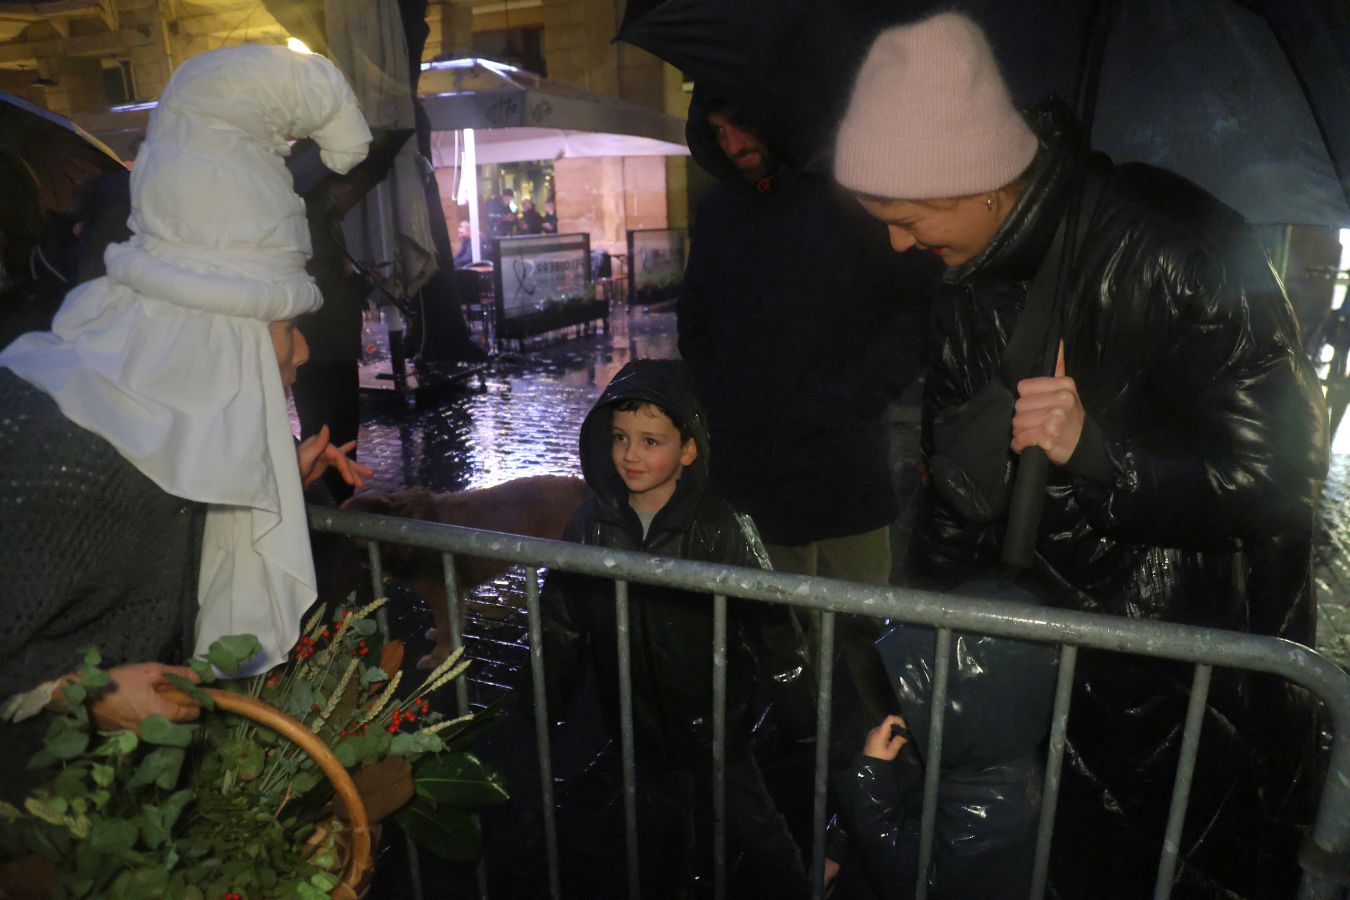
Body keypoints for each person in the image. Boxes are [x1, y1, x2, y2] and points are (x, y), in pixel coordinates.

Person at [832, 13, 1328, 898]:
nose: (897, 244)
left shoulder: (1183, 247)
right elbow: (953, 490)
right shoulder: (963, 282)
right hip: (1018, 686)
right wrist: (914, 665)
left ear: (978, 184)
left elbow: (1283, 486)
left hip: (1169, 699)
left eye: (905, 218)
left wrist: (1103, 460)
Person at [0, 43, 373, 802]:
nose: (301, 350)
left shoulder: (134, 417)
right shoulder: (53, 448)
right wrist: (83, 696)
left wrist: (267, 476)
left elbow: (159, 518)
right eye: (281, 325)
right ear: (212, 333)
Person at [677, 93, 936, 735]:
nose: (733, 143)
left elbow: (919, 308)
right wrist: (723, 401)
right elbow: (696, 324)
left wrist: (858, 394)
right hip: (754, 470)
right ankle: (804, 763)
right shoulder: (717, 211)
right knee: (782, 642)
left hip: (842, 463)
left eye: (742, 123)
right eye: (718, 129)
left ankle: (869, 780)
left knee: (861, 641)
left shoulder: (849, 201)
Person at [540, 359, 818, 899]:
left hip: (715, 724)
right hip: (640, 722)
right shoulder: (591, 523)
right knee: (661, 828)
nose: (629, 454)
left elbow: (774, 624)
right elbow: (562, 618)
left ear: (688, 450)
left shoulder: (723, 528)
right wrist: (543, 699)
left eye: (651, 441)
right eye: (620, 437)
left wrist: (798, 714)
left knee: (753, 823)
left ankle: (796, 888)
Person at [827, 589, 1059, 899]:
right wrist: (838, 844)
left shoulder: (996, 810)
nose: (904, 705)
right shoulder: (967, 744)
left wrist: (870, 775)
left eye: (930, 690)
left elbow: (908, 882)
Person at [292, 174, 371, 504]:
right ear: (326, 184)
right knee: (326, 432)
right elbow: (320, 285)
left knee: (342, 431)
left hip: (338, 346)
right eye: (342, 182)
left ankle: (340, 504)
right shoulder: (308, 221)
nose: (348, 190)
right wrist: (355, 283)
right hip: (322, 348)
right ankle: (329, 509)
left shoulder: (328, 220)